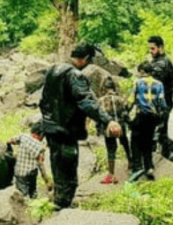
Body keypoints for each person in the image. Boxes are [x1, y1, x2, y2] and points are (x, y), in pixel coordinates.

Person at [39, 43, 119, 209]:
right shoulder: (76, 76)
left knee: (58, 167)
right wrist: (107, 120)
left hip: (51, 127)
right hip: (66, 130)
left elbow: (43, 100)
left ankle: (58, 202)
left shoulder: (53, 70)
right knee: (69, 173)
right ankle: (63, 209)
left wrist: (47, 121)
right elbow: (86, 102)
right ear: (85, 60)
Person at [127, 62, 167, 181]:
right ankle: (149, 166)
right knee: (148, 141)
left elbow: (131, 100)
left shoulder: (138, 82)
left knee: (135, 140)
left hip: (141, 116)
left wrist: (126, 113)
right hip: (152, 118)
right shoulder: (159, 84)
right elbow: (162, 103)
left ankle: (137, 166)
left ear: (142, 71)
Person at [97, 77, 130, 184]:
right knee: (125, 142)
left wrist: (98, 129)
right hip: (120, 125)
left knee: (111, 150)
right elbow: (125, 113)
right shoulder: (120, 99)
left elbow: (99, 116)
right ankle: (131, 161)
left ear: (105, 89)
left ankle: (111, 174)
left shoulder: (101, 100)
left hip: (108, 128)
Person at [147, 35, 173, 158]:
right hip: (162, 102)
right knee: (160, 131)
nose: (151, 51)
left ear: (161, 47)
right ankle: (164, 155)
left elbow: (155, 85)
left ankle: (159, 157)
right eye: (149, 49)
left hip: (161, 103)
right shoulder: (160, 62)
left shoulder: (162, 64)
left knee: (158, 131)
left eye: (153, 49)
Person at [7, 122, 52, 198]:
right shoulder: (40, 147)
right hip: (32, 173)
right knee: (32, 191)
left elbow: (11, 141)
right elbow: (41, 164)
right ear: (40, 135)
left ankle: (24, 201)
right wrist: (46, 180)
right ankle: (33, 200)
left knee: (22, 193)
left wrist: (9, 147)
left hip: (20, 172)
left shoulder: (23, 137)